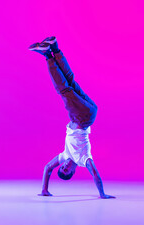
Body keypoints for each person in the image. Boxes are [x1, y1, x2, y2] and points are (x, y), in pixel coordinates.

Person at [29, 37, 115, 199]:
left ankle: (54, 48)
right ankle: (47, 55)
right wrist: (102, 194)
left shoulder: (65, 155)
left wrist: (45, 189)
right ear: (73, 171)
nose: (65, 167)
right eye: (67, 170)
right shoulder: (83, 159)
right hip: (83, 117)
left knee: (70, 81)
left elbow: (48, 167)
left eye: (62, 168)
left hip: (88, 111)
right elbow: (95, 174)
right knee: (63, 90)